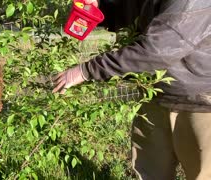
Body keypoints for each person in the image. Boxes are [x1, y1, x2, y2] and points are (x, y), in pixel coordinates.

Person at [52, 0, 211, 179]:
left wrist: (86, 71)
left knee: (202, 174)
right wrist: (99, 7)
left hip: (199, 102)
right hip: (155, 94)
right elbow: (128, 13)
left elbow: (157, 50)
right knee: (149, 172)